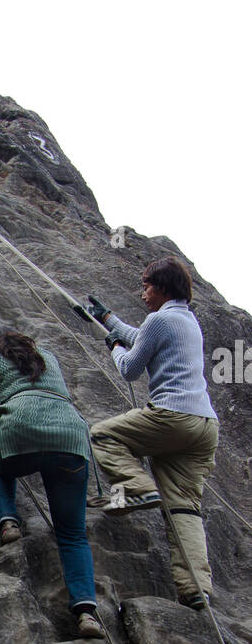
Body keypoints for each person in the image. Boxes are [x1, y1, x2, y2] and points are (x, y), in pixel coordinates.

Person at [87, 257, 218, 610]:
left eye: (146, 286)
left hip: (173, 416)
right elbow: (144, 337)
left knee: (102, 435)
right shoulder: (187, 321)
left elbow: (130, 368)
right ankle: (195, 590)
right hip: (204, 426)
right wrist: (107, 320)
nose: (142, 292)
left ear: (162, 287)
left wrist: (114, 348)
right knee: (183, 508)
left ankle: (139, 489)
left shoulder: (159, 320)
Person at [0, 328, 103, 639]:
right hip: (71, 440)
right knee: (73, 534)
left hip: (20, 434)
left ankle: (8, 521)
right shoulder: (47, 359)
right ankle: (87, 612)